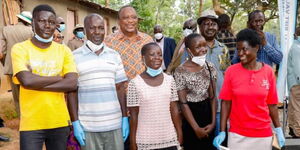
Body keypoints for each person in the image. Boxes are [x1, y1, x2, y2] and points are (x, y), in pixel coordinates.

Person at [11, 5, 78, 150]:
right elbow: (26, 81)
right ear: (33, 23)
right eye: (42, 21)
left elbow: (72, 83)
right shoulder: (20, 49)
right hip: (31, 123)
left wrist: (35, 80)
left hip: (59, 121)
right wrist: (59, 78)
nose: (47, 25)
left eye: (52, 22)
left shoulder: (64, 50)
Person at [213, 28, 285, 150]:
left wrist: (278, 129)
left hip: (263, 135)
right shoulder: (231, 71)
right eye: (238, 49)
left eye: (244, 49)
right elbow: (226, 103)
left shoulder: (268, 71)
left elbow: (272, 104)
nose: (240, 53)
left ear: (256, 48)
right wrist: (222, 131)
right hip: (237, 135)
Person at [69, 14, 128, 150]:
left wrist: (125, 118)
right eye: (92, 28)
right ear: (85, 30)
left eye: (101, 28)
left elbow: (120, 88)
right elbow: (72, 92)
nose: (97, 32)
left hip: (115, 124)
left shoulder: (114, 55)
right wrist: (75, 123)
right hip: (88, 126)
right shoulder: (74, 57)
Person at [128, 43, 182, 150]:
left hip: (169, 139)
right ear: (143, 58)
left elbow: (174, 109)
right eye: (152, 54)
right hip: (144, 141)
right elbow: (133, 116)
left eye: (159, 54)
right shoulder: (135, 83)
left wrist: (179, 133)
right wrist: (132, 142)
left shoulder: (170, 80)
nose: (157, 58)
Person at [174, 33, 217, 150]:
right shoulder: (180, 71)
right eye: (198, 47)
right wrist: (196, 128)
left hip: (207, 114)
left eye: (204, 46)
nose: (203, 49)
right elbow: (183, 103)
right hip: (190, 117)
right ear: (189, 50)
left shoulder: (210, 67)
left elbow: (213, 97)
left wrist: (213, 123)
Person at [197, 9, 230, 136]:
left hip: (220, 106)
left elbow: (226, 74)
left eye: (213, 24)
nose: (210, 27)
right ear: (200, 27)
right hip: (200, 106)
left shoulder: (223, 49)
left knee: (219, 141)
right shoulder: (192, 49)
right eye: (206, 23)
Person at [105, 5, 153, 82]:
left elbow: (154, 65)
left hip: (145, 90)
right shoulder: (109, 42)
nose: (130, 21)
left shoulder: (148, 40)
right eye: (126, 18)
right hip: (120, 91)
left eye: (134, 17)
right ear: (118, 21)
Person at [0, 11, 34, 116]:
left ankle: (21, 118)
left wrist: (6, 63)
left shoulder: (6, 30)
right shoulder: (31, 32)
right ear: (28, 22)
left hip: (12, 67)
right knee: (28, 93)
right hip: (28, 68)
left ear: (19, 19)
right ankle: (29, 116)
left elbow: (2, 51)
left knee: (16, 96)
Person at [287, 27, 300, 138]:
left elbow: (297, 66)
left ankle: (295, 130)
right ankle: (296, 131)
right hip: (296, 82)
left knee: (295, 106)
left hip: (296, 82)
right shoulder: (297, 46)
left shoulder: (296, 46)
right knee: (295, 106)